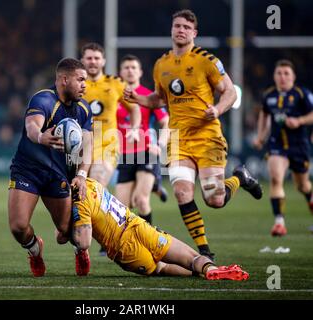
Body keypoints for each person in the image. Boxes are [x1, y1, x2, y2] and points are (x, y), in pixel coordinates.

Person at [124, 9, 262, 260]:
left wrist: (218, 109)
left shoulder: (207, 60)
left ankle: (239, 178)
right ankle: (204, 251)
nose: (181, 30)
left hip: (207, 136)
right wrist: (139, 99)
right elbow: (160, 99)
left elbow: (230, 92)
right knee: (182, 193)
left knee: (214, 199)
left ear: (194, 33)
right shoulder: (161, 64)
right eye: (177, 26)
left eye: (186, 27)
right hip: (179, 139)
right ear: (171, 30)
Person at [58, 178, 249, 281]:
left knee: (162, 268)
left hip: (125, 249)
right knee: (192, 258)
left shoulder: (79, 204)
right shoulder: (93, 183)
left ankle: (202, 273)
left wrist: (66, 228)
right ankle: (211, 269)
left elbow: (83, 242)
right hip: (137, 225)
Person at [8, 58, 93, 277]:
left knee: (64, 233)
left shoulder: (84, 108)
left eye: (86, 80)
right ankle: (35, 251)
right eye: (80, 79)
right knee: (18, 227)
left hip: (58, 174)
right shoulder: (44, 99)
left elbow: (88, 144)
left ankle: (79, 250)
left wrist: (82, 174)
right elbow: (31, 126)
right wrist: (40, 137)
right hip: (28, 169)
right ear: (64, 79)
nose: (85, 84)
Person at [253, 59, 313, 236]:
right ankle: (279, 223)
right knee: (276, 179)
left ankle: (309, 196)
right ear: (274, 76)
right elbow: (264, 115)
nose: (282, 77)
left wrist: (300, 121)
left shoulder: (302, 94)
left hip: (299, 146)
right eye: (279, 73)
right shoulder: (269, 95)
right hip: (276, 144)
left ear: (293, 76)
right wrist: (261, 137)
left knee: (302, 185)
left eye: (286, 73)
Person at [116, 54, 170, 225]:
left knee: (140, 199)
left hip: (146, 152)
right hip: (124, 154)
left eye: (134, 68)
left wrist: (160, 146)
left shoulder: (148, 96)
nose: (130, 71)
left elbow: (166, 122)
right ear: (121, 72)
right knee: (122, 207)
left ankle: (149, 241)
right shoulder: (114, 96)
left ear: (140, 72)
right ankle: (119, 245)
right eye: (126, 67)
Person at [81, 43, 141, 188]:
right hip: (80, 147)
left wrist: (134, 129)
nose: (93, 61)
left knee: (95, 185)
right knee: (77, 194)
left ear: (103, 61)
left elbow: (134, 109)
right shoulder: (77, 84)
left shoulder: (116, 83)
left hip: (107, 146)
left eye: (96, 58)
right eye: (89, 58)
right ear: (82, 61)